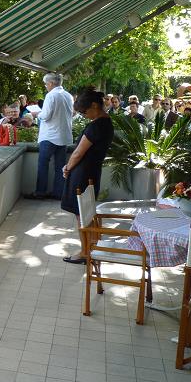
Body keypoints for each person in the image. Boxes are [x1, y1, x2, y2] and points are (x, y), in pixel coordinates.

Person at [61, 89, 114, 263]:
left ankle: (85, 252)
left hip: (83, 174)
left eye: (84, 112)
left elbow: (78, 153)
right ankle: (92, 249)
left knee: (82, 214)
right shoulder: (106, 123)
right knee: (87, 213)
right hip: (92, 172)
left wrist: (67, 167)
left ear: (94, 105)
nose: (84, 115)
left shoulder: (97, 126)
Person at [26, 72, 74, 200]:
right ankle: (59, 193)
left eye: (46, 84)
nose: (45, 86)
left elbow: (46, 116)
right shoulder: (68, 95)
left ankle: (40, 192)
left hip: (50, 136)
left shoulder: (51, 95)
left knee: (43, 164)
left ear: (51, 83)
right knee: (60, 166)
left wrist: (37, 114)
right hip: (63, 136)